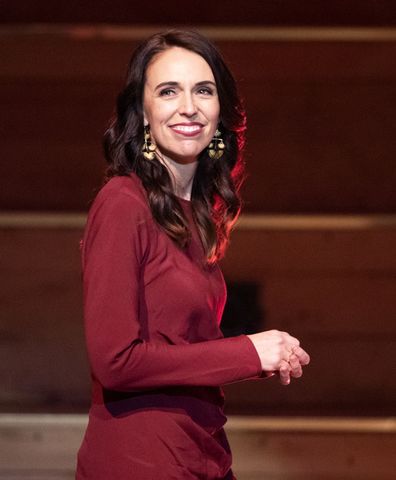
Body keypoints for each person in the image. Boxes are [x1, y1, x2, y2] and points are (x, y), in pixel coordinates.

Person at [76, 29, 310, 480]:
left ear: (221, 110)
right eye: (168, 91)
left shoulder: (196, 214)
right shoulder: (124, 202)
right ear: (142, 112)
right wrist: (247, 352)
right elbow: (115, 361)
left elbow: (183, 351)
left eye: (203, 90)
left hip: (202, 453)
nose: (189, 106)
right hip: (142, 463)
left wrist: (259, 356)